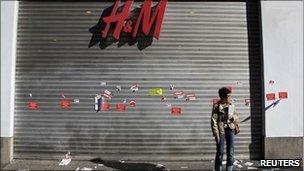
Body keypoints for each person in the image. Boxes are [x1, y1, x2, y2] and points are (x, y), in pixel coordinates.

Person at [211, 87, 240, 171]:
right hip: (221, 131)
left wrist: (232, 117)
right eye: (228, 96)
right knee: (220, 152)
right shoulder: (216, 106)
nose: (230, 98)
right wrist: (216, 134)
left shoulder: (231, 105)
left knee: (230, 152)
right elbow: (214, 121)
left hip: (230, 130)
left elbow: (237, 116)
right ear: (223, 97)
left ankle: (229, 169)